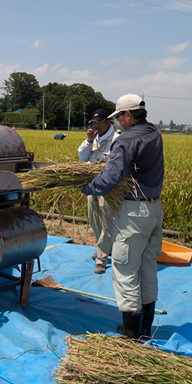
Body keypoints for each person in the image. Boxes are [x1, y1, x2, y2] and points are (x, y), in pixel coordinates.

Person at [83, 94, 164, 339]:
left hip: (134, 212)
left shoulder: (126, 140)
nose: (118, 122)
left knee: (125, 267)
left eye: (118, 117)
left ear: (128, 114)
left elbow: (110, 178)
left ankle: (131, 334)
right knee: (147, 266)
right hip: (154, 209)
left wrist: (88, 187)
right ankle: (146, 328)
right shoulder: (154, 134)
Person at [78, 109, 120, 274]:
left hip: (108, 188)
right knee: (94, 220)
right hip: (92, 186)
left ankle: (101, 259)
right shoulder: (93, 139)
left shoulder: (116, 140)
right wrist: (89, 141)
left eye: (99, 122)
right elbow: (82, 157)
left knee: (106, 223)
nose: (95, 125)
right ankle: (105, 248)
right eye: (93, 122)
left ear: (108, 122)